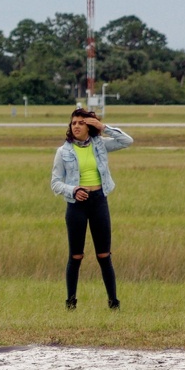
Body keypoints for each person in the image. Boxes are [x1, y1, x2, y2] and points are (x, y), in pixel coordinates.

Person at [50, 108, 133, 311]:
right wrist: (73, 189)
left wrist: (103, 127)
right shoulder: (64, 151)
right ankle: (71, 303)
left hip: (99, 201)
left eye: (81, 123)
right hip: (77, 204)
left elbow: (127, 141)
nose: (76, 126)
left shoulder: (100, 145)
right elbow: (55, 183)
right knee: (76, 256)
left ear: (89, 126)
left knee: (104, 255)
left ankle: (113, 303)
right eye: (73, 123)